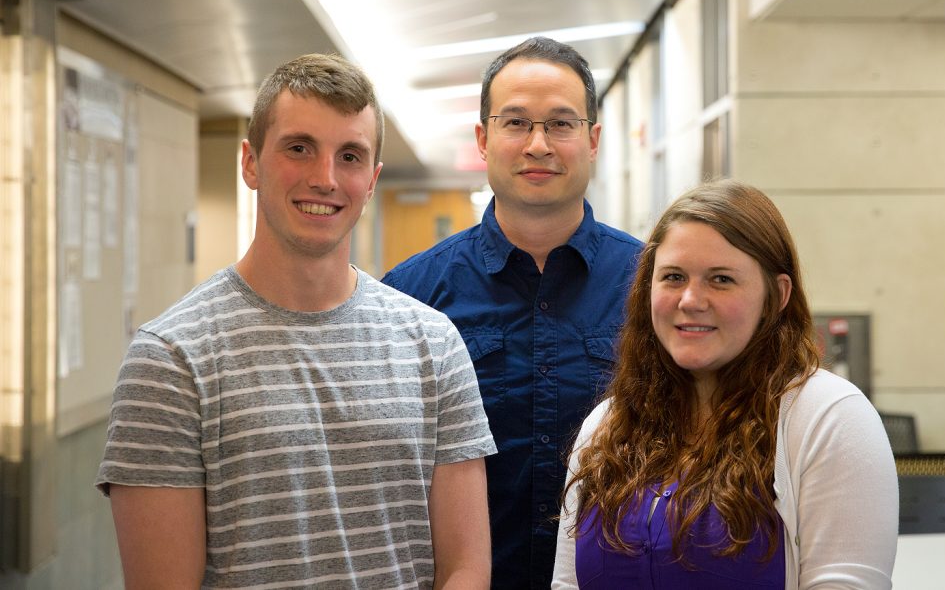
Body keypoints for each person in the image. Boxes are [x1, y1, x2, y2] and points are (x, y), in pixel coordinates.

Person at [95, 53, 496, 589]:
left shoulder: (434, 344)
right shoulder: (170, 359)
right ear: (250, 162)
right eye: (299, 148)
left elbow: (466, 569)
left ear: (372, 179)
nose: (324, 178)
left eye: (349, 156)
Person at [382, 37, 643, 589]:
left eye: (561, 124)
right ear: (483, 138)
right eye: (517, 123)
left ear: (593, 139)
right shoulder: (409, 297)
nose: (539, 145)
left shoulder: (653, 288)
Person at [552, 180, 899, 589]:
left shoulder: (828, 417)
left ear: (777, 295)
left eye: (720, 279)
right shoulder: (606, 425)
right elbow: (568, 583)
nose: (690, 300)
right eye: (673, 277)